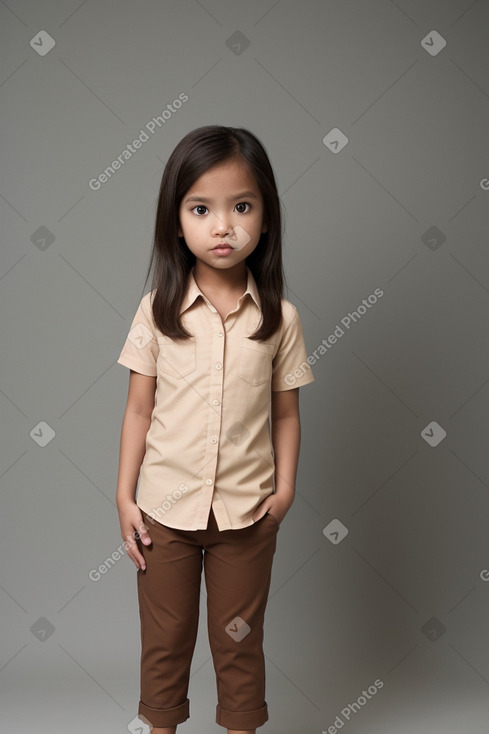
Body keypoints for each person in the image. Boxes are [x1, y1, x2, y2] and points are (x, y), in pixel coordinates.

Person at [115, 125, 315, 734]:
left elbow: (286, 413)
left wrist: (282, 495)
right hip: (164, 516)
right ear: (177, 221)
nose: (223, 226)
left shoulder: (280, 318)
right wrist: (124, 496)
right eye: (202, 209)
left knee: (238, 643)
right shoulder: (156, 311)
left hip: (246, 516)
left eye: (242, 207)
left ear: (266, 217)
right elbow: (139, 411)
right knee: (166, 640)